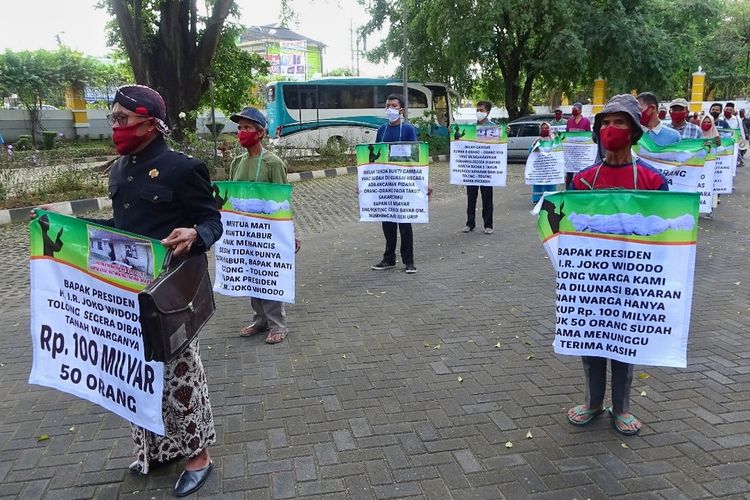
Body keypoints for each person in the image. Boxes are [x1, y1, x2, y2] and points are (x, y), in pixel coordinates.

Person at [86, 85, 221, 496]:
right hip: (127, 291)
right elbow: (123, 223)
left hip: (172, 295)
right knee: (137, 374)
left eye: (121, 119)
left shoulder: (183, 168)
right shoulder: (120, 169)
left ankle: (198, 456)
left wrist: (196, 234)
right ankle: (156, 449)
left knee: (182, 376)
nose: (115, 126)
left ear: (149, 122)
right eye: (112, 119)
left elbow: (213, 220)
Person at [567, 94, 668, 436]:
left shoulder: (653, 182)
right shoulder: (582, 181)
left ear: (635, 131)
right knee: (592, 340)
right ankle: (593, 402)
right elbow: (571, 231)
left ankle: (622, 407)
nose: (611, 129)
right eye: (605, 123)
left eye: (619, 122)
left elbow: (664, 236)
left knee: (623, 342)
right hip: (592, 279)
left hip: (633, 281)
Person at [229, 106, 300, 344]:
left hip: (269, 231)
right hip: (244, 230)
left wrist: (291, 233)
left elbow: (282, 200)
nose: (241, 132)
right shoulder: (236, 162)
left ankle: (278, 323)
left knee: (269, 274)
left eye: (247, 128)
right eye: (239, 128)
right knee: (251, 274)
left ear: (259, 132)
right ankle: (260, 319)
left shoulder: (272, 162)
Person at [370, 93, 422, 274]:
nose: (389, 109)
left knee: (405, 224)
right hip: (385, 184)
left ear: (401, 109)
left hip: (404, 184)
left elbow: (416, 158)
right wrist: (365, 184)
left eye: (393, 105)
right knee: (388, 223)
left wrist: (424, 183)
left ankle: (409, 261)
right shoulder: (381, 130)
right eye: (387, 105)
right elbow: (374, 158)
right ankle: (388, 258)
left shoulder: (408, 129)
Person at [463, 100, 494, 234]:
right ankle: (470, 223)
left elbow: (498, 147)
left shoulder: (494, 128)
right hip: (473, 169)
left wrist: (506, 133)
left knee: (487, 198)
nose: (479, 112)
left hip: (486, 169)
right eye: (477, 110)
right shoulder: (471, 128)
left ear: (488, 112)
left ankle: (488, 225)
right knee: (471, 197)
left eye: (481, 110)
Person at [530, 122, 559, 203]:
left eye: (546, 128)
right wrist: (534, 148)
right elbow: (530, 151)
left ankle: (551, 197)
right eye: (542, 128)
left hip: (550, 165)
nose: (544, 130)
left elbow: (558, 151)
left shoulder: (553, 140)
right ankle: (537, 198)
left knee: (550, 182)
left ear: (549, 129)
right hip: (540, 166)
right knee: (538, 182)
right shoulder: (538, 140)